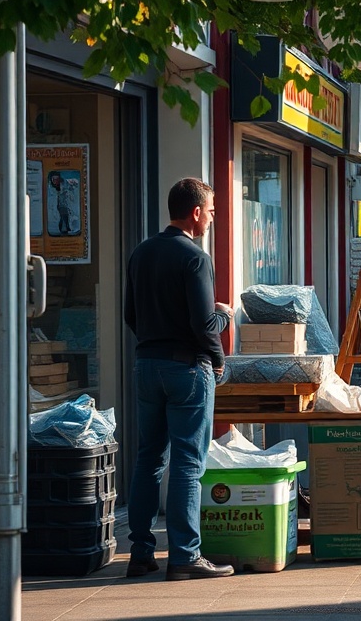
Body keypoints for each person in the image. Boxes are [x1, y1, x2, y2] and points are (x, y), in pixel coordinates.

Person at [123, 178, 236, 581]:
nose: (211, 216)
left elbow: (130, 316)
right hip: (188, 369)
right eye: (210, 210)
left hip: (146, 365)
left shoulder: (141, 253)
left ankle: (140, 552)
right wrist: (224, 324)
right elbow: (205, 323)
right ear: (194, 212)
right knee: (189, 463)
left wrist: (156, 343)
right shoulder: (195, 258)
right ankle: (185, 556)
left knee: (148, 460)